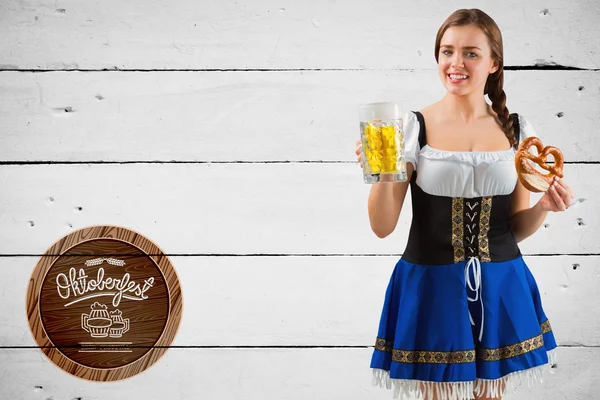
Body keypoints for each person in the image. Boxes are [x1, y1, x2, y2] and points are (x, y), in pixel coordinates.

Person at [354, 8, 575, 400]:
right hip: (430, 283)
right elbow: (382, 226)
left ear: (493, 63)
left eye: (471, 53)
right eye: (447, 51)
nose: (456, 63)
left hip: (502, 282)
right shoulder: (411, 127)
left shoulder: (517, 129)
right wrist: (381, 174)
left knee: (490, 396)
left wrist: (544, 207)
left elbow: (515, 229)